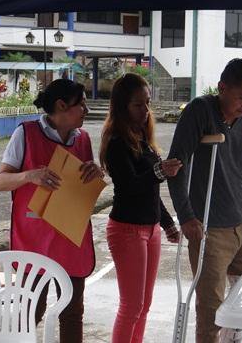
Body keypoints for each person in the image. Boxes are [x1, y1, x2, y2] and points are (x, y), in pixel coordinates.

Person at [167, 58, 242, 343]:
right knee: (211, 310)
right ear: (222, 88)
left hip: (241, 223)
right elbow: (176, 165)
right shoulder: (200, 111)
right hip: (208, 228)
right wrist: (186, 216)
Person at [0, 78, 104, 343]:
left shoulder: (84, 138)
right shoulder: (26, 133)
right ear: (61, 105)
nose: (86, 111)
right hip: (34, 240)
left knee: (72, 313)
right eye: (82, 105)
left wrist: (97, 172)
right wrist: (29, 176)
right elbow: (0, 181)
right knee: (31, 311)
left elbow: (83, 184)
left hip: (70, 238)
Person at [99, 73, 183, 343]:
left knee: (145, 305)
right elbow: (129, 186)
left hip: (150, 229)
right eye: (138, 104)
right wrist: (159, 171)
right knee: (132, 306)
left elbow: (150, 190)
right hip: (127, 230)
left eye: (147, 103)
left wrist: (167, 223)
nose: (145, 110)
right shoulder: (116, 143)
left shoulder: (144, 140)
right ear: (122, 106)